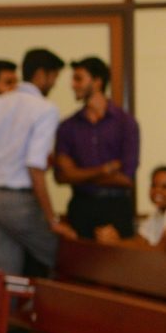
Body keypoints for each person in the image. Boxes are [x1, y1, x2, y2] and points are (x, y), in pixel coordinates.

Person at [0, 48, 76, 276]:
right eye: (54, 77)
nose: (54, 84)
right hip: (19, 203)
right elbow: (35, 165)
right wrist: (52, 219)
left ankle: (8, 302)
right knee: (67, 259)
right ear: (42, 74)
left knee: (5, 276)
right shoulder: (46, 109)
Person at [54, 57, 140, 239]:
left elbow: (126, 178)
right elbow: (62, 176)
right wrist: (104, 170)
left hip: (116, 206)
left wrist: (79, 175)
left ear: (97, 81)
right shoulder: (68, 126)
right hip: (81, 205)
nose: (73, 85)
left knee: (119, 256)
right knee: (81, 256)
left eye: (78, 79)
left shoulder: (125, 123)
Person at [97, 165, 166, 255]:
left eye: (165, 187)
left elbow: (162, 251)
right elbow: (140, 241)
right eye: (154, 185)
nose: (157, 191)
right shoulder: (159, 212)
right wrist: (114, 240)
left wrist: (116, 243)